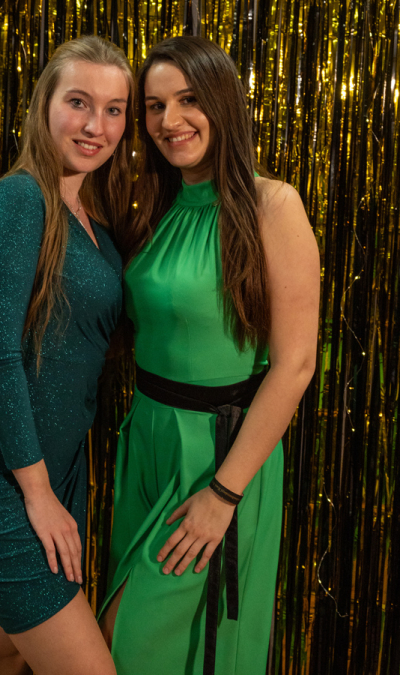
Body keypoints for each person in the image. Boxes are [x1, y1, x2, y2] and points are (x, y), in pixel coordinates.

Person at [98, 36, 320, 675]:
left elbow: (296, 364)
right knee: (128, 644)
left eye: (189, 99)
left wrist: (224, 494)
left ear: (221, 102)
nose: (169, 120)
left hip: (220, 454)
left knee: (130, 641)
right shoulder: (152, 205)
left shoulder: (273, 204)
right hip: (148, 441)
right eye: (154, 105)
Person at [0, 35, 135, 675]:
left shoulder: (93, 220)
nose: (95, 126)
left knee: (2, 656)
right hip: (0, 475)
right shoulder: (20, 199)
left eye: (113, 109)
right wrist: (39, 495)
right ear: (46, 104)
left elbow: (70, 337)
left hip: (53, 467)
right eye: (79, 102)